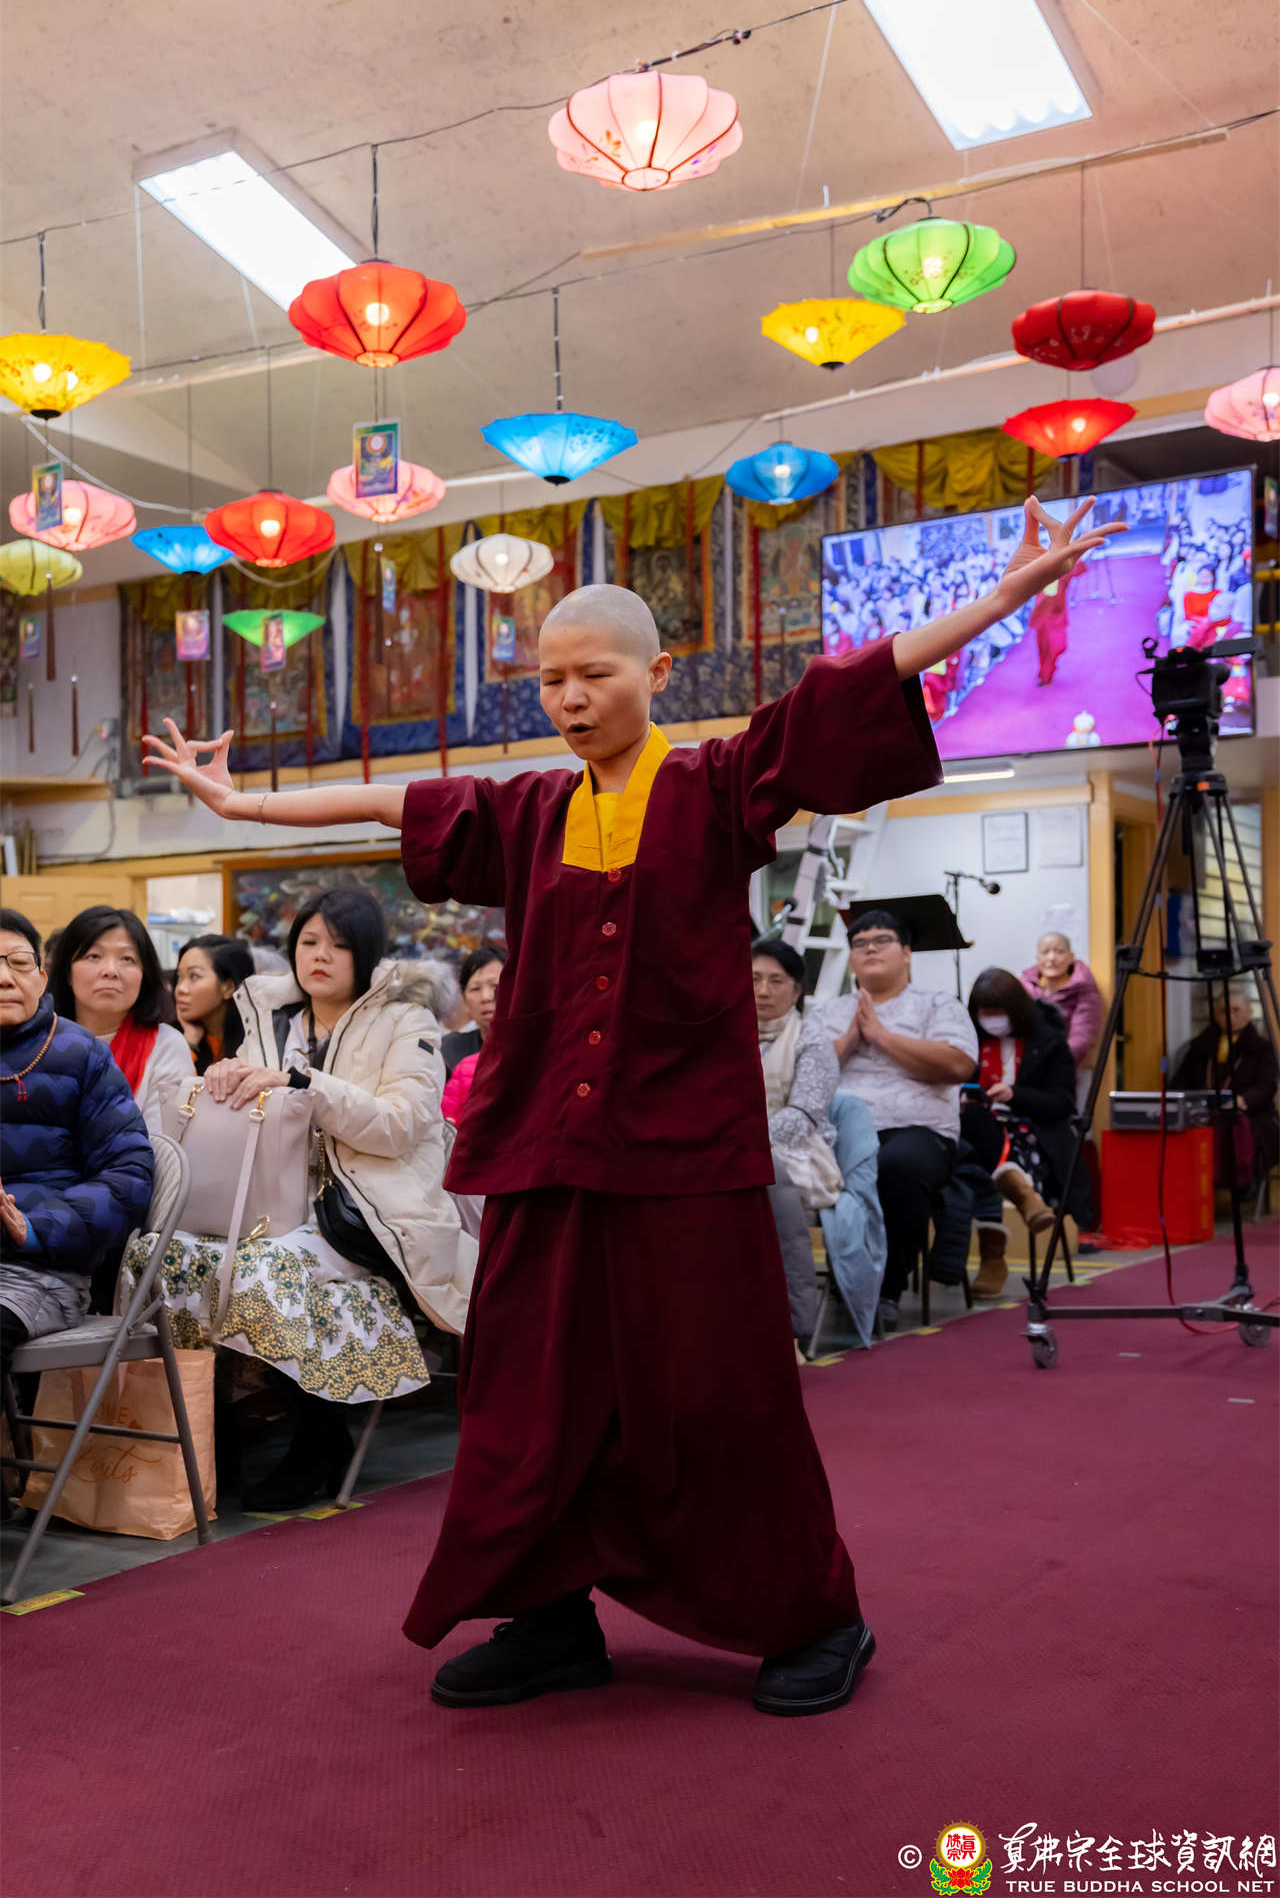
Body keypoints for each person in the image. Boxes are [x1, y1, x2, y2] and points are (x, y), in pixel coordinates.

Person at [145, 493, 1123, 1718]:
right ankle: (550, 1615)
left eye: (593, 673)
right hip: (545, 1150)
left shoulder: (717, 784)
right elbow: (396, 800)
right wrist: (242, 807)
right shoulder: (530, 810)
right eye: (550, 679)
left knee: (715, 1392)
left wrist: (1001, 594)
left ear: (656, 673)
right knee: (525, 1396)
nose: (568, 697)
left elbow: (842, 689)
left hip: (683, 1152)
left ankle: (812, 1612)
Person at [125, 887, 474, 1511]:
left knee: (264, 1271)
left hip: (372, 1208)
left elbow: (401, 1127)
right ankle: (212, 1438)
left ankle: (319, 1439)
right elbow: (253, 1104)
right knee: (169, 1256)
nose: (320, 956)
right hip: (273, 1200)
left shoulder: (407, 1018)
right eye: (309, 942)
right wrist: (227, 1074)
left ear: (366, 953)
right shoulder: (272, 1012)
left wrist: (303, 1082)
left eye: (339, 945)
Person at [0, 910, 153, 1378]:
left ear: (42, 978)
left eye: (19, 963)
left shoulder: (79, 1052)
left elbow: (129, 1175)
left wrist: (35, 1228)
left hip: (37, 1271)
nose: (5, 978)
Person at [819, 910, 979, 1332]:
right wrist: (851, 1040)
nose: (870, 948)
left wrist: (881, 1036)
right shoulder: (828, 1012)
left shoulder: (937, 1005)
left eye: (882, 940)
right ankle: (839, 1282)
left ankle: (883, 1289)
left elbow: (958, 1065)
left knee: (895, 1167)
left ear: (907, 953)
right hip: (839, 1129)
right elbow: (806, 1076)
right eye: (859, 943)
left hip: (918, 1131)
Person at [961, 969, 1082, 1299]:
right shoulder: (967, 1041)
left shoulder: (1049, 1042)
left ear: (1015, 1010)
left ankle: (993, 1258)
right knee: (975, 1127)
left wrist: (1016, 1095)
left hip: (1034, 1132)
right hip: (976, 1128)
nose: (991, 1020)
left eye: (997, 1012)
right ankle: (1021, 1194)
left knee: (979, 1163)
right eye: (984, 1012)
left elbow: (1062, 1103)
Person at [751, 938, 841, 1353]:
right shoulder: (721, 1039)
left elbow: (804, 1113)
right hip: (732, 1147)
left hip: (797, 1150)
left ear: (797, 990)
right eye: (754, 979)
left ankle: (791, 1326)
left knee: (767, 1177)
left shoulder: (812, 1040)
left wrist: (746, 1144)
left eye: (776, 981)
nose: (763, 990)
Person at [47, 905, 192, 1132]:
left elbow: (162, 1143)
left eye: (127, 958)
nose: (110, 970)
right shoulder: (39, 1041)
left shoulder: (166, 1045)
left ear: (144, 974)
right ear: (67, 972)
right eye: (94, 956)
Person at [1172, 987, 1278, 1194]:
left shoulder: (1261, 1048)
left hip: (1249, 1114)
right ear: (1216, 1014)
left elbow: (1267, 1086)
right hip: (1204, 1111)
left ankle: (1243, 1179)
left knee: (1239, 1129)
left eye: (1236, 1010)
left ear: (1249, 1013)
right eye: (1224, 1011)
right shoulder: (1201, 1046)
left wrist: (1243, 1100)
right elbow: (1180, 1083)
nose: (1230, 1016)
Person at [1021, 932, 1104, 1069]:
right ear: (1038, 958)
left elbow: (1082, 1035)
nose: (1051, 958)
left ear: (1071, 957)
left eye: (1059, 951)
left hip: (1061, 1065)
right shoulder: (1025, 985)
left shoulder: (1084, 987)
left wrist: (1055, 1062)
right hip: (1024, 1064)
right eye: (1045, 952)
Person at [174, 933, 253, 1074]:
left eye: (194, 976)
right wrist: (190, 1042)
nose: (180, 988)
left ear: (228, 988)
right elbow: (173, 1084)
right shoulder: (171, 1036)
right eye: (179, 977)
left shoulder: (256, 1041)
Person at [441, 945, 505, 1075]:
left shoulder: (537, 1048)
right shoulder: (449, 1049)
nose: (486, 997)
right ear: (463, 999)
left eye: (495, 985)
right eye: (475, 989)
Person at [1029, 556, 1086, 685]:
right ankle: (1045, 674)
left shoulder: (1063, 570)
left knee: (1058, 645)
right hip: (1042, 614)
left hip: (1056, 615)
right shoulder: (1039, 569)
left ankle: (1048, 670)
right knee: (1043, 647)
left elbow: (1079, 566)